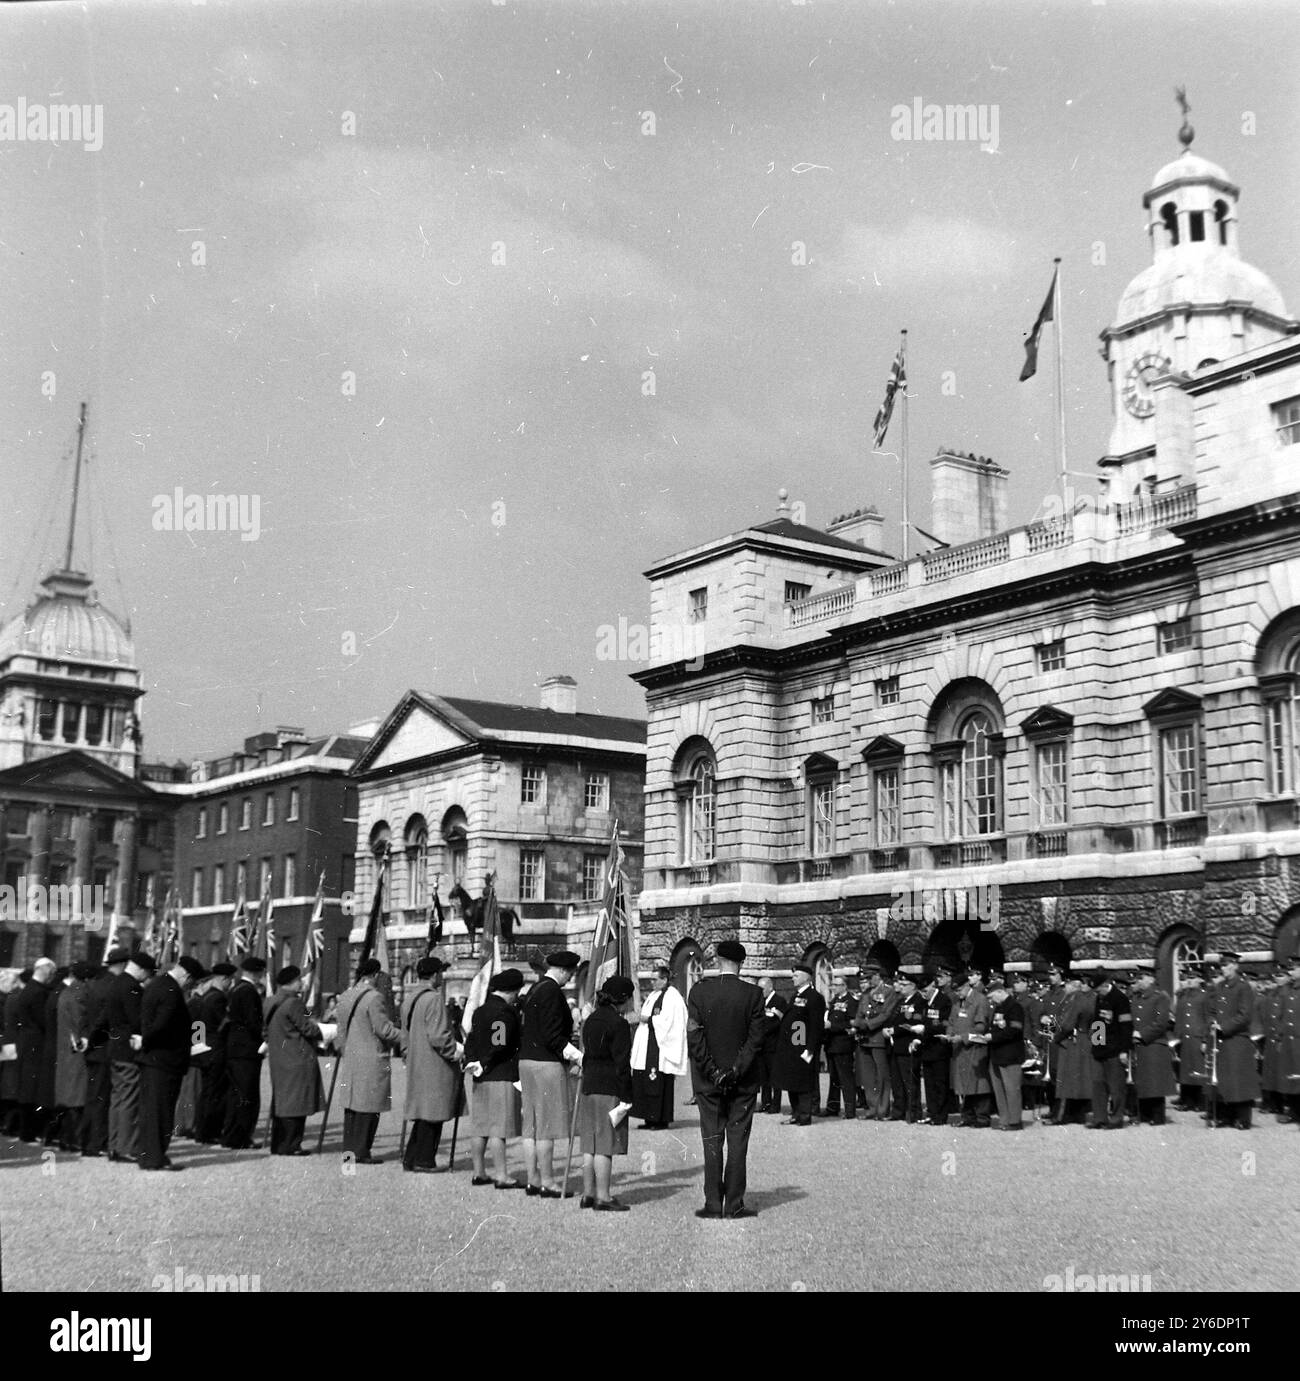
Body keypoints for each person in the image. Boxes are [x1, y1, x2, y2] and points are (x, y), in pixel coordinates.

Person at [686, 938, 766, 1219]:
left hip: (709, 1082)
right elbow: (755, 1041)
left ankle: (712, 1203)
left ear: (717, 960)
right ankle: (734, 1203)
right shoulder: (754, 995)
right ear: (741, 963)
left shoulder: (699, 991)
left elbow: (694, 1037)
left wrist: (713, 1072)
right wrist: (734, 1071)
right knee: (738, 1141)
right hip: (741, 1082)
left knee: (711, 1139)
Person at [517, 949, 581, 1198]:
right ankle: (548, 1181)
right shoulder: (553, 992)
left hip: (527, 1062)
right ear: (563, 971)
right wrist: (578, 1056)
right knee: (546, 1126)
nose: (571, 979)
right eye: (571, 974)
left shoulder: (535, 988)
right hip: (546, 1064)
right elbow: (555, 1036)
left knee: (531, 1126)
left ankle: (533, 1179)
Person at [577, 975, 636, 1212]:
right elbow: (622, 1064)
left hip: (590, 1084)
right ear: (623, 999)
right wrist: (627, 1095)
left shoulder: (591, 1020)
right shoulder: (619, 1024)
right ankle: (603, 1196)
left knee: (589, 1143)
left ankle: (588, 1193)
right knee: (604, 1144)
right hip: (609, 1086)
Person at [334, 957, 403, 1163]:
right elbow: (383, 1029)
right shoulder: (374, 997)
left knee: (352, 1107)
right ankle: (362, 1152)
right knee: (369, 1107)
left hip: (352, 1057)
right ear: (375, 975)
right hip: (372, 1058)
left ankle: (350, 1151)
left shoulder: (346, 995)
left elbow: (341, 1030)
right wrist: (407, 1036)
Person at [138, 955, 203, 1171]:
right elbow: (161, 1025)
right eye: (191, 981)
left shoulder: (157, 984)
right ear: (187, 976)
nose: (190, 986)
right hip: (165, 1059)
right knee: (162, 1111)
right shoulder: (172, 992)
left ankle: (149, 1155)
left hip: (154, 1059)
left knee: (152, 1110)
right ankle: (155, 1158)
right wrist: (146, 1040)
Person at [464, 968, 526, 1189]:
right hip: (500, 1073)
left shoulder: (479, 1011)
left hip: (481, 1076)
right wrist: (486, 1062)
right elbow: (499, 1043)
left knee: (480, 1126)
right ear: (511, 991)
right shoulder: (504, 1013)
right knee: (499, 1128)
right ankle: (501, 1175)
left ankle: (478, 1172)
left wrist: (473, 1062)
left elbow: (470, 1040)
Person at [400, 955, 462, 1173]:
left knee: (422, 1113)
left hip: (417, 1061)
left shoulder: (410, 998)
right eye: (441, 973)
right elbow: (438, 1036)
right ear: (435, 975)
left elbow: (404, 1035)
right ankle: (424, 1160)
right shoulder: (434, 998)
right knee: (433, 1114)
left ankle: (411, 1157)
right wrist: (454, 1052)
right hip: (435, 1064)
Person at [265, 965, 325, 1156]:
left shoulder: (270, 1001)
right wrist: (325, 1030)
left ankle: (279, 1144)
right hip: (297, 1058)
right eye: (299, 980)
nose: (302, 982)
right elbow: (308, 1028)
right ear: (291, 983)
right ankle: (291, 1145)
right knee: (297, 1103)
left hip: (279, 1058)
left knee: (282, 1102)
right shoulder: (294, 1003)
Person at [80, 948, 126, 1156]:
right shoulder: (114, 986)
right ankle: (96, 1142)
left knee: (93, 1097)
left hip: (94, 1050)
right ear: (123, 964)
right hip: (105, 1048)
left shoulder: (94, 985)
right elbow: (104, 1020)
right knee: (102, 1098)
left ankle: (89, 1140)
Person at [630, 964, 688, 1129]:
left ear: (664, 979)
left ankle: (660, 1119)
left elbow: (670, 1021)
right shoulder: (654, 994)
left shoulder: (672, 997)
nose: (652, 982)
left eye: (655, 979)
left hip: (660, 1048)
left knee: (657, 1080)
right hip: (648, 1044)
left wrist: (646, 1019)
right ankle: (649, 1118)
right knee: (645, 1079)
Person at [106, 951, 151, 1161]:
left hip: (115, 1047)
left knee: (118, 1098)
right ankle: (126, 1147)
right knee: (130, 1099)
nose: (148, 976)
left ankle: (114, 1144)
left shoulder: (116, 983)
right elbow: (136, 1020)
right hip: (129, 1049)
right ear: (141, 969)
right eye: (148, 972)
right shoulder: (132, 986)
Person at [1207, 951, 1259, 1130]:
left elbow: (1245, 1015)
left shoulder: (1243, 987)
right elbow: (1212, 1010)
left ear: (1235, 966)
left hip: (1237, 1038)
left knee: (1240, 1079)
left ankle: (1243, 1118)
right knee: (1224, 1079)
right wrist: (1212, 1023)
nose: (1223, 969)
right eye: (1221, 965)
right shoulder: (1219, 987)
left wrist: (1225, 1026)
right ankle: (1226, 1116)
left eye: (1227, 965)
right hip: (1221, 1040)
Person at [221, 956, 267, 1150]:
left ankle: (231, 1134)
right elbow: (252, 1021)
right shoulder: (249, 992)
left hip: (234, 1048)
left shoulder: (235, 988)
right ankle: (241, 1137)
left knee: (235, 1094)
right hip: (247, 1049)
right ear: (256, 973)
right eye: (261, 973)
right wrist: (263, 1039)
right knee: (247, 1095)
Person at [774, 962, 825, 1126]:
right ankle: (796, 1113)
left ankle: (804, 1115)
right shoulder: (795, 996)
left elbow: (816, 1026)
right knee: (792, 1082)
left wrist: (810, 1050)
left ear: (805, 977)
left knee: (803, 1083)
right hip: (791, 1048)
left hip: (803, 1048)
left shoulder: (814, 997)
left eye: (796, 975)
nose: (793, 978)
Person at [14, 956, 55, 1142]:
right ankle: (29, 1130)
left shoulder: (28, 989)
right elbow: (43, 1020)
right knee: (33, 1088)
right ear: (46, 971)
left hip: (26, 1042)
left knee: (26, 1087)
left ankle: (25, 1130)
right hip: (36, 1043)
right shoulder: (39, 992)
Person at [193, 961, 234, 1142]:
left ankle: (201, 1131)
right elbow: (225, 1024)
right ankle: (210, 1132)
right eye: (230, 980)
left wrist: (198, 1045)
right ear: (224, 979)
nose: (230, 984)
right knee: (216, 1093)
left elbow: (197, 1025)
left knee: (206, 1092)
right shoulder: (219, 998)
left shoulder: (205, 997)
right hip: (216, 1049)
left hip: (204, 1048)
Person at [53, 961, 93, 1151]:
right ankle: (75, 1139)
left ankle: (66, 1138)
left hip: (65, 1051)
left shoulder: (67, 992)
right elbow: (79, 1021)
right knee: (77, 1098)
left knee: (68, 1098)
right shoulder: (80, 993)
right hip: (75, 1051)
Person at [853, 963, 899, 1120]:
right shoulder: (866, 993)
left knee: (882, 1075)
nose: (867, 981)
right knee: (868, 1076)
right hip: (865, 1038)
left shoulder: (889, 992)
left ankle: (882, 1108)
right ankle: (872, 1107)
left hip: (878, 1037)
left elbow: (886, 1014)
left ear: (877, 976)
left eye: (869, 977)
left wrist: (868, 1024)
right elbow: (859, 1012)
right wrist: (858, 1023)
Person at [1047, 973, 1094, 1125]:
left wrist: (1055, 1037)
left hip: (1072, 1041)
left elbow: (1067, 1024)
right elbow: (1058, 1019)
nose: (1065, 987)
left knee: (1066, 1080)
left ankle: (1062, 1115)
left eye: (1067, 984)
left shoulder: (1075, 1000)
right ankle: (1078, 1114)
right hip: (1080, 1040)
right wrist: (1051, 1028)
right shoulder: (1073, 999)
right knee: (1078, 1079)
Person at [1130, 969, 1176, 1124]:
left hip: (1154, 1043)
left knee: (1155, 1081)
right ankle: (1144, 1114)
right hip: (1140, 1045)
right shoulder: (1136, 998)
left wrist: (1142, 1034)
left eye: (1141, 978)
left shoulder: (1160, 997)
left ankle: (1157, 1115)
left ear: (1150, 979)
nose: (1138, 981)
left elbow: (1161, 1022)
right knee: (1142, 1080)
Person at [1088, 970, 1132, 1130]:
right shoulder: (1100, 998)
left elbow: (1126, 1027)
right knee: (1098, 1085)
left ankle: (1116, 1118)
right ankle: (1099, 1118)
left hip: (1115, 1049)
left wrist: (1124, 1051)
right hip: (1100, 1049)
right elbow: (1097, 1023)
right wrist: (1095, 1045)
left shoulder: (1121, 999)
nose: (1096, 993)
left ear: (1106, 985)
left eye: (1098, 989)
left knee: (1116, 1087)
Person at [948, 968, 991, 1127]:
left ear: (967, 986)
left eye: (959, 990)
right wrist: (949, 1034)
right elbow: (951, 1022)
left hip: (974, 1048)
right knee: (963, 1084)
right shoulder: (957, 1003)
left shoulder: (980, 1000)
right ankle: (967, 1117)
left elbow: (981, 1027)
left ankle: (982, 1118)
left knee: (978, 1084)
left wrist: (963, 1037)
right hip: (959, 1050)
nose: (958, 993)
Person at [986, 973, 1025, 1131]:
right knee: (999, 1090)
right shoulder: (999, 1008)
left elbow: (1014, 1030)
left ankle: (1015, 1120)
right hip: (997, 1053)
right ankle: (1004, 1119)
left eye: (992, 996)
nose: (991, 1000)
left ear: (1000, 992)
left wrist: (993, 1036)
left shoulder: (1014, 1007)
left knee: (1012, 1089)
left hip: (1010, 1054)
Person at [917, 963, 954, 1124]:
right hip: (927, 1047)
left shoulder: (943, 1001)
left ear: (933, 986)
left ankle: (940, 1115)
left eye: (925, 991)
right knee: (929, 1084)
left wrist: (925, 1029)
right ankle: (932, 1113)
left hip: (939, 1047)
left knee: (940, 1083)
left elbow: (944, 1024)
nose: (923, 994)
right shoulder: (924, 1002)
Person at [820, 975, 858, 1119]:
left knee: (846, 1078)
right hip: (831, 1044)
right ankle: (832, 1107)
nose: (833, 987)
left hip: (843, 1044)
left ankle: (850, 1110)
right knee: (834, 1078)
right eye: (833, 985)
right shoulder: (834, 1000)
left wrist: (832, 1026)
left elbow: (852, 1023)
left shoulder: (851, 1002)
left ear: (844, 986)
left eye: (836, 985)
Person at [890, 972, 926, 1122]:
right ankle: (898, 1111)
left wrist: (895, 1030)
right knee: (897, 1082)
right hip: (896, 1045)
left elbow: (914, 1023)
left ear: (913, 986)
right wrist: (888, 1029)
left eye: (904, 985)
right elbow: (893, 1018)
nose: (901, 987)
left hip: (908, 1045)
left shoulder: (919, 1001)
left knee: (910, 1082)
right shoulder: (900, 1002)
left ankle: (913, 1112)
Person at [1173, 967, 1210, 1110]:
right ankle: (1188, 1101)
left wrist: (1206, 1039)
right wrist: (1177, 1038)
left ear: (1201, 980)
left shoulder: (1204, 996)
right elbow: (1179, 1018)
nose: (1189, 980)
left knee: (1198, 1069)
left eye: (1193, 977)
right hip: (1185, 1038)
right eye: (1188, 977)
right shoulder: (1183, 996)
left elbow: (1208, 1018)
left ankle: (1201, 1102)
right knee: (1186, 1070)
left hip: (1197, 1037)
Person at [755, 976, 787, 1114]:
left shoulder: (779, 1001)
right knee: (763, 1077)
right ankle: (765, 1102)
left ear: (769, 987)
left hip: (774, 1044)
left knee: (775, 1077)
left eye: (762, 988)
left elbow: (779, 1023)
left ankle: (776, 1104)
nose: (760, 991)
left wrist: (762, 1031)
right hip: (762, 1045)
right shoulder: (760, 1002)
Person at [0, 969, 26, 1136]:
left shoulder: (7, 999)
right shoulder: (12, 999)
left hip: (5, 1043)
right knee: (10, 1083)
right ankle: (8, 1122)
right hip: (9, 1043)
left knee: (7, 1081)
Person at [1277, 952, 1300, 1124]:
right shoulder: (1288, 990)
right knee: (1290, 1076)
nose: (1290, 973)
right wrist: (1279, 1036)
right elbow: (1282, 1015)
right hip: (1288, 1038)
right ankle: (1293, 1111)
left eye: (1293, 969)